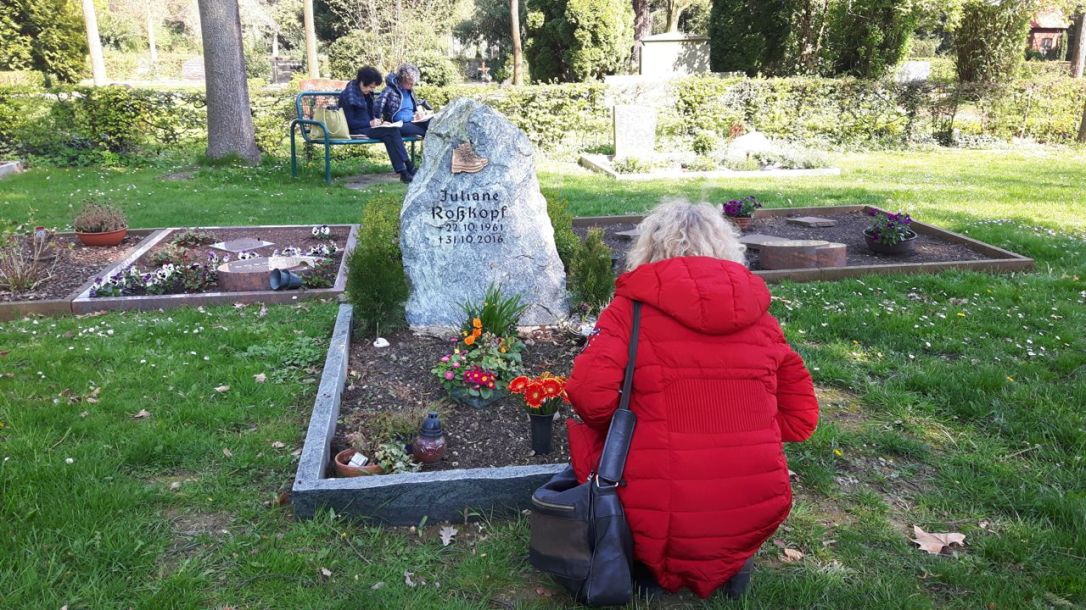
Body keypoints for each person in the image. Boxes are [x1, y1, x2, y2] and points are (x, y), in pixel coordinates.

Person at [564, 200, 819, 600]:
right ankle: (722, 561)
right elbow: (801, 420)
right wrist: (743, 429)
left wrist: (630, 429)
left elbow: (588, 397)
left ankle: (644, 564)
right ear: (725, 248)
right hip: (756, 500)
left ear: (648, 248)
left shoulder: (629, 311)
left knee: (584, 437)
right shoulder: (761, 318)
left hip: (653, 501)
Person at [338, 66, 416, 184]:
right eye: (370, 87)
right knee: (392, 132)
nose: (371, 90)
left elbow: (372, 115)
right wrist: (369, 122)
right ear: (362, 82)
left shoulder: (366, 94)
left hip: (369, 128)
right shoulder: (348, 95)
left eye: (373, 87)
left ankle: (403, 172)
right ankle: (409, 167)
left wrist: (380, 122)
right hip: (355, 130)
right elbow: (349, 122)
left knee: (390, 134)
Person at [376, 63, 430, 140]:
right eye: (410, 83)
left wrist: (417, 114)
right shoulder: (389, 90)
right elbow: (378, 105)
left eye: (413, 83)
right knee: (426, 131)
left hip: (411, 122)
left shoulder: (410, 91)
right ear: (402, 79)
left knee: (432, 123)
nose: (412, 85)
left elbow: (414, 107)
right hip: (397, 125)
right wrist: (380, 122)